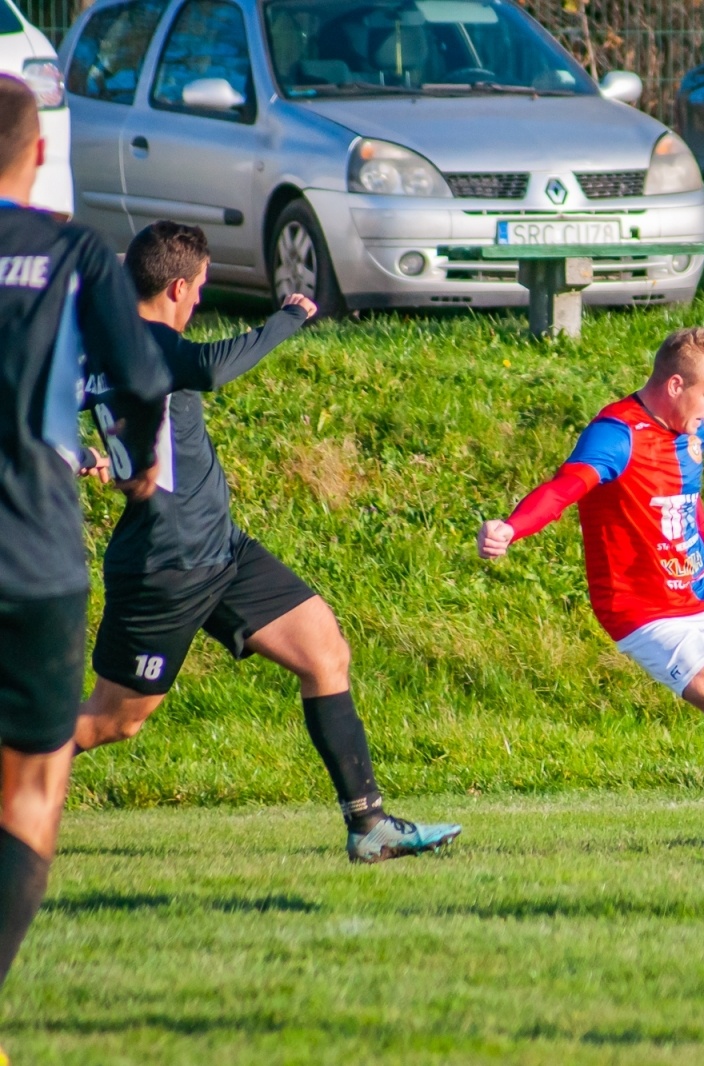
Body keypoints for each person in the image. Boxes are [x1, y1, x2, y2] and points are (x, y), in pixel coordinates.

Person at [74, 221, 462, 864]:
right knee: (115, 720)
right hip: (165, 567)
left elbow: (117, 432)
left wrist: (96, 454)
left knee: (324, 651)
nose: (198, 301)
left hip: (221, 551)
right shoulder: (147, 345)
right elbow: (213, 367)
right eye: (198, 289)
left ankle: (368, 825)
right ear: (177, 287)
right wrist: (289, 316)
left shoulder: (107, 347)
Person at [478, 327, 704, 843]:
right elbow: (565, 488)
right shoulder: (615, 434)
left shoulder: (692, 428)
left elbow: (683, 496)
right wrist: (512, 526)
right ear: (674, 386)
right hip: (644, 612)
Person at [0, 75, 172, 988]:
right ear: (38, 153)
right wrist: (143, 461)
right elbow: (141, 379)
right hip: (32, 559)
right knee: (32, 786)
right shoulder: (72, 252)